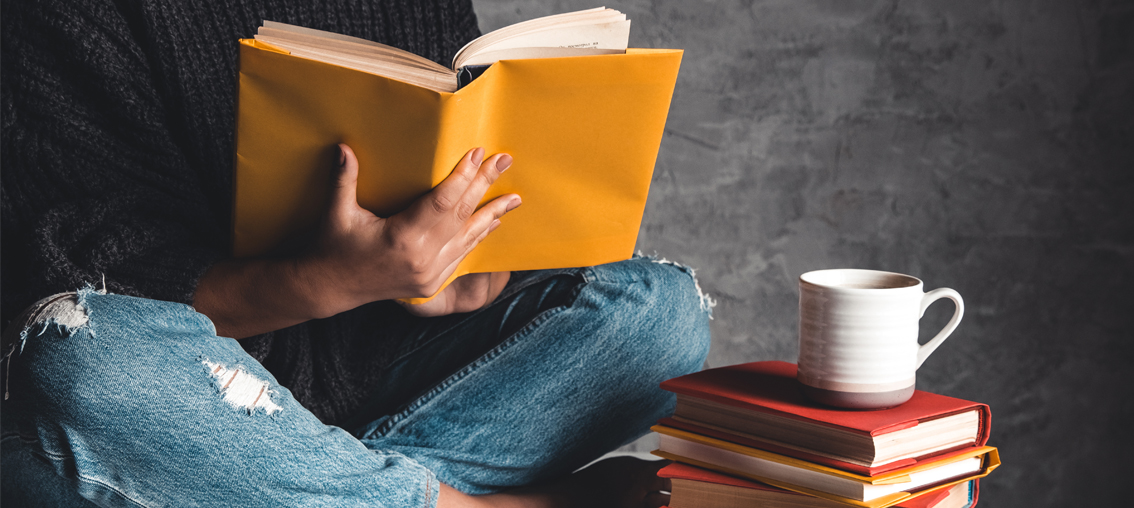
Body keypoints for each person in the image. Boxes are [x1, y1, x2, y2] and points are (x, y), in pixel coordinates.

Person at [0, 1, 712, 507]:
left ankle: (281, 485)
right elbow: (72, 278)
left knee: (661, 314)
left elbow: (446, 150)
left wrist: (462, 273)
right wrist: (325, 281)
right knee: (79, 357)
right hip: (183, 383)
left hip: (373, 376)